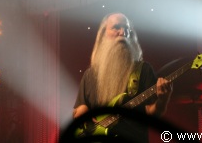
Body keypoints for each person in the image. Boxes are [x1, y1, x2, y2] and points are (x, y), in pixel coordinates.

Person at [73, 12, 173, 143]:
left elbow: (151, 112)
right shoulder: (90, 75)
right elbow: (79, 109)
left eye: (126, 29)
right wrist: (81, 112)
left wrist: (163, 100)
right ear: (103, 34)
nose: (123, 32)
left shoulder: (143, 70)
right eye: (116, 27)